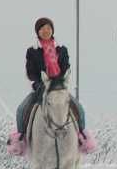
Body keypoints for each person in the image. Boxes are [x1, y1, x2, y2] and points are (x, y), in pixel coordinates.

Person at [8, 17, 89, 154]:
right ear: (37, 32)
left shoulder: (62, 49)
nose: (46, 31)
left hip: (58, 88)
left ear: (52, 30)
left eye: (48, 28)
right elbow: (30, 72)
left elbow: (66, 67)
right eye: (42, 29)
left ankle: (82, 137)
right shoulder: (32, 51)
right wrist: (37, 84)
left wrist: (62, 82)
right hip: (41, 88)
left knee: (79, 108)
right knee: (21, 109)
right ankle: (20, 139)